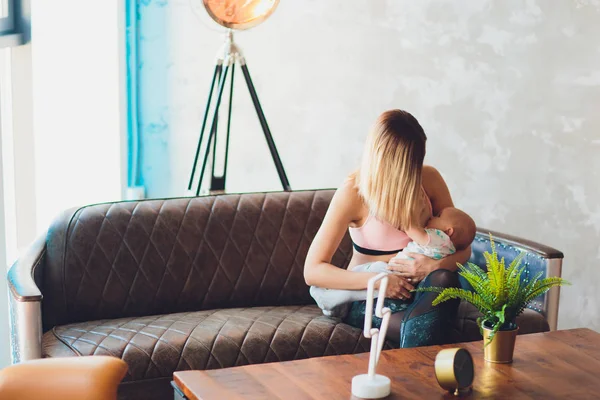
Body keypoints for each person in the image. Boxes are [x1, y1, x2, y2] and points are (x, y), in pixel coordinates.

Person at [303, 109, 473, 347]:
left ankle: (419, 336)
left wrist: (434, 266)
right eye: (409, 164)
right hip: (370, 295)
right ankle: (420, 340)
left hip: (421, 290)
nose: (414, 172)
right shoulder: (353, 192)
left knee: (445, 279)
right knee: (429, 323)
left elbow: (463, 248)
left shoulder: (430, 179)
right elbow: (313, 271)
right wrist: (381, 280)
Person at [310, 207, 476, 318]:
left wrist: (403, 219)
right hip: (394, 276)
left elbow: (416, 233)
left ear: (449, 231)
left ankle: (329, 298)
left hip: (393, 271)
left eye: (438, 216)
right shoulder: (448, 246)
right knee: (368, 286)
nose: (432, 216)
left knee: (364, 287)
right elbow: (312, 271)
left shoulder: (439, 239)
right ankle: (336, 301)